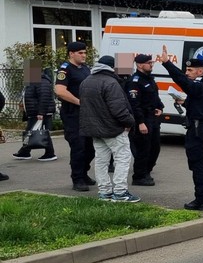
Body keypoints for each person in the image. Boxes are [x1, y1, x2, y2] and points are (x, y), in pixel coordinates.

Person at [156, 47, 203, 210]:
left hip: (198, 131)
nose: (186, 72)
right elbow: (201, 104)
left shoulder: (198, 86)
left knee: (198, 166)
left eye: (190, 70)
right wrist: (185, 102)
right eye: (186, 69)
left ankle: (201, 201)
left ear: (200, 71)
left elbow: (182, 81)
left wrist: (167, 63)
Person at [79, 55, 138, 202]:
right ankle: (120, 192)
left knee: (101, 161)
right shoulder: (111, 82)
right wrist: (130, 122)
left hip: (94, 129)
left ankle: (104, 192)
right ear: (112, 67)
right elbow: (118, 109)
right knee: (123, 158)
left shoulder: (86, 81)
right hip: (113, 129)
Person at [55, 41, 96, 191]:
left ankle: (84, 173)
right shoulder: (65, 69)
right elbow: (60, 91)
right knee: (78, 147)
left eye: (85, 52)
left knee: (90, 148)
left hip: (88, 115)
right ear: (71, 54)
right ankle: (77, 179)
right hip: (73, 114)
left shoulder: (85, 69)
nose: (84, 55)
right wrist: (79, 102)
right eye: (80, 53)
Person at [126, 54, 163, 186]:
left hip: (153, 118)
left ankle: (146, 171)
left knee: (155, 148)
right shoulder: (134, 82)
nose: (151, 65)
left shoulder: (150, 79)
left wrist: (160, 107)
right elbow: (134, 104)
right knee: (143, 149)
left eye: (151, 63)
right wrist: (140, 122)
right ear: (140, 65)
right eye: (149, 63)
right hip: (143, 119)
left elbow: (155, 97)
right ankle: (139, 176)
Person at [12, 67, 58, 161]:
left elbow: (44, 97)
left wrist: (41, 112)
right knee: (33, 132)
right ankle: (25, 152)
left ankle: (48, 153)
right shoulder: (35, 82)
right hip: (36, 112)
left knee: (35, 132)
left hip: (40, 112)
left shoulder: (40, 81)